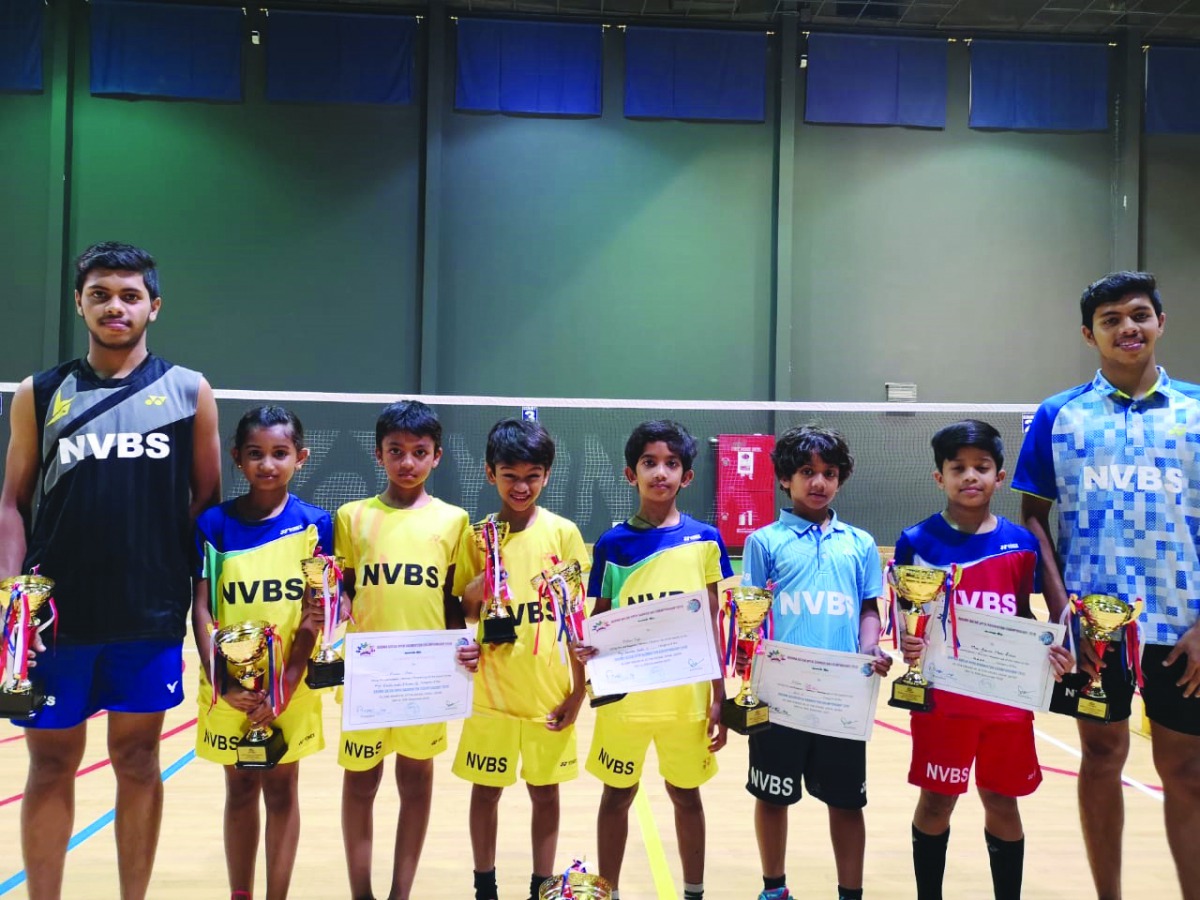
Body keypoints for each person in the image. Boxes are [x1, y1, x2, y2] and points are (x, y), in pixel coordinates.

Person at [0, 241, 222, 899]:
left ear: (155, 305)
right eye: (100, 294)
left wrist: (185, 593)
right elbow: (12, 502)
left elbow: (205, 502)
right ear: (79, 304)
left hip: (146, 615)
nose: (114, 306)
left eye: (130, 295)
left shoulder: (189, 390)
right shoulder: (40, 392)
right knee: (49, 766)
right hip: (54, 619)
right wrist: (13, 596)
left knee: (138, 759)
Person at [1013, 271, 1200, 900]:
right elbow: (1033, 518)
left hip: (1183, 627)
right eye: (1111, 319)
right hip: (1094, 630)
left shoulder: (1197, 411)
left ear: (1160, 323)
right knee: (1099, 759)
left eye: (1139, 314)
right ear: (1088, 334)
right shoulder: (1058, 415)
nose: (1128, 327)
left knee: (1187, 772)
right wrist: (1063, 613)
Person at [896, 420, 1072, 900]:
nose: (970, 476)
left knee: (1002, 800)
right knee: (936, 802)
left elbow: (1023, 616)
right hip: (943, 702)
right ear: (940, 477)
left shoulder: (1022, 543)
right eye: (958, 468)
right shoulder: (916, 540)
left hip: (1004, 702)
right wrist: (908, 642)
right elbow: (908, 614)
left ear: (999, 476)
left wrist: (1049, 650)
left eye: (982, 467)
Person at [575, 420, 732, 900]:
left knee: (686, 795)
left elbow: (711, 621)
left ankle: (694, 892)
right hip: (626, 702)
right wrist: (587, 646)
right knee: (616, 796)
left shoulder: (706, 539)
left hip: (685, 702)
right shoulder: (612, 544)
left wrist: (719, 695)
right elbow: (601, 616)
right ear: (631, 474)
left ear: (687, 475)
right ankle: (609, 891)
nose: (660, 472)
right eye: (649, 463)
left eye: (671, 463)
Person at [739, 425, 892, 900]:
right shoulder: (764, 542)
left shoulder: (860, 544)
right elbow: (751, 614)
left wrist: (870, 647)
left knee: (847, 803)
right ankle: (774, 888)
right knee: (772, 797)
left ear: (840, 479)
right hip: (780, 698)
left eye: (829, 473)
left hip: (841, 698)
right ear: (786, 478)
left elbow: (869, 608)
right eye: (807, 471)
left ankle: (850, 893)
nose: (819, 482)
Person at [335, 400, 478, 900]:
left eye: (419, 451)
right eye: (395, 451)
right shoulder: (352, 517)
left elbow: (454, 602)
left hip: (426, 678)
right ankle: (361, 893)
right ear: (378, 454)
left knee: (415, 783)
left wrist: (466, 647)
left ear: (437, 456)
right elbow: (343, 589)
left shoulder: (455, 521)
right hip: (368, 678)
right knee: (360, 782)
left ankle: (401, 893)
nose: (407, 462)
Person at [191, 406, 331, 900]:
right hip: (228, 688)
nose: (267, 464)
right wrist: (223, 680)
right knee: (239, 790)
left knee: (282, 790)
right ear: (237, 458)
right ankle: (240, 894)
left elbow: (316, 613)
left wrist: (287, 683)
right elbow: (202, 608)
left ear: (300, 457)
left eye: (279, 453)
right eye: (255, 453)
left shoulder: (316, 524)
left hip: (290, 686)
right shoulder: (213, 524)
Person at [452, 418, 589, 900]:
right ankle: (484, 887)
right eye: (510, 475)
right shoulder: (477, 535)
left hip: (547, 694)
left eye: (533, 476)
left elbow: (575, 620)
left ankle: (540, 885)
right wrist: (487, 573)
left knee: (545, 793)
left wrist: (578, 691)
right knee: (486, 791)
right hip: (491, 695)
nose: (521, 486)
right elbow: (467, 610)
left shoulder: (564, 534)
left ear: (547, 475)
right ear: (490, 474)